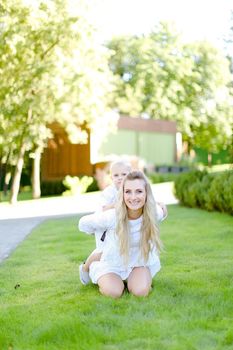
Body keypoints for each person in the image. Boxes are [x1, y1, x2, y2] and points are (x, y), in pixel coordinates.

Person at [78, 170, 165, 298]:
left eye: (139, 191)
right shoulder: (111, 217)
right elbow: (82, 223)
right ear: (122, 194)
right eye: (128, 192)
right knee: (114, 292)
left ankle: (133, 279)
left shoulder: (153, 213)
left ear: (147, 194)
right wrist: (98, 232)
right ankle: (88, 267)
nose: (133, 197)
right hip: (112, 262)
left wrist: (162, 206)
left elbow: (163, 211)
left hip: (138, 261)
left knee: (140, 292)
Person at [79, 160, 132, 285]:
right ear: (111, 177)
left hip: (123, 227)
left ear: (130, 175)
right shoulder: (109, 192)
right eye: (116, 175)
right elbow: (103, 208)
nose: (120, 178)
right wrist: (119, 204)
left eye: (124, 174)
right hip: (106, 228)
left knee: (123, 250)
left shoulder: (131, 189)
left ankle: (123, 274)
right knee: (104, 251)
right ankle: (85, 267)